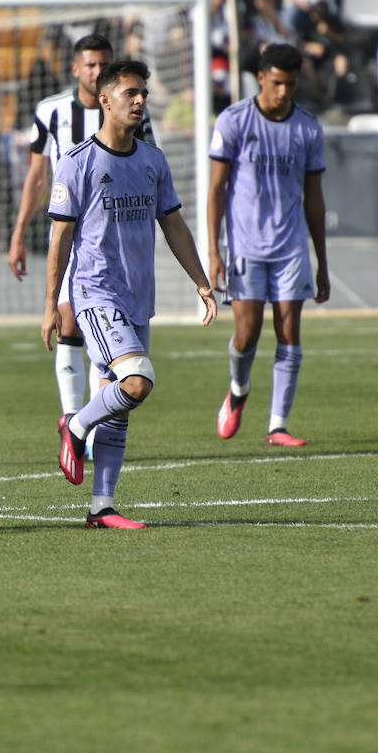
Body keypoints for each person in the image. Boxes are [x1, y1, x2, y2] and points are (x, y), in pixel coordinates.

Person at [43, 59, 218, 529]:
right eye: (130, 94)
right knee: (137, 380)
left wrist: (201, 283)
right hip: (96, 295)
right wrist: (49, 305)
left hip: (140, 298)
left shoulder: (152, 161)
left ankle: (102, 506)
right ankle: (75, 426)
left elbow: (175, 225)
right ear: (105, 100)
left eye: (143, 93)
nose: (140, 101)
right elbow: (59, 238)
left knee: (119, 403)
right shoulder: (78, 163)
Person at [8, 35, 155, 429]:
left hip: (114, 232)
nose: (96, 72)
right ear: (76, 69)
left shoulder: (132, 115)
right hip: (71, 230)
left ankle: (93, 420)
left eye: (103, 65)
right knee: (68, 320)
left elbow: (144, 168)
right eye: (90, 65)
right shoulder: (52, 111)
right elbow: (38, 175)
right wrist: (19, 231)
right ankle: (72, 415)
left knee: (99, 336)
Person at [206, 43, 329, 449]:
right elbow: (216, 189)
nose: (283, 92)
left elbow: (314, 197)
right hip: (245, 244)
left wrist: (322, 261)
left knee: (289, 329)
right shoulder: (234, 121)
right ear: (261, 78)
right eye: (277, 83)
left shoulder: (308, 128)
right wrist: (214, 251)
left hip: (291, 245)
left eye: (290, 85)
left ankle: (278, 424)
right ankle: (238, 389)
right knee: (248, 332)